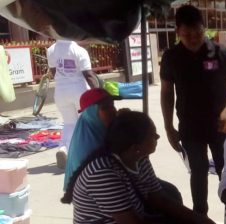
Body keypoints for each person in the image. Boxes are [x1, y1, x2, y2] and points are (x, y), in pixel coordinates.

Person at [160, 5, 226, 215]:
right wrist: (168, 126)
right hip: (189, 126)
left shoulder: (218, 51)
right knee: (198, 172)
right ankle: (200, 216)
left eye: (198, 32)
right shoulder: (171, 57)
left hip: (221, 125)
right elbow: (166, 92)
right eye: (187, 34)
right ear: (178, 31)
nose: (194, 38)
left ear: (204, 29)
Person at [62, 111, 214, 224]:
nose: (158, 137)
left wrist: (200, 219)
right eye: (152, 135)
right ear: (136, 147)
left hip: (135, 217)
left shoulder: (140, 158)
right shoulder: (103, 174)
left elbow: (159, 199)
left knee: (172, 195)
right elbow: (130, 221)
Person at [47, 40, 99, 169]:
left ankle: (64, 149)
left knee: (69, 123)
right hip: (79, 92)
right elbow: (88, 75)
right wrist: (98, 93)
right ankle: (80, 156)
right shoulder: (80, 51)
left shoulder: (51, 50)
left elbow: (54, 72)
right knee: (84, 124)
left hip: (60, 92)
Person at [63, 88, 116, 191]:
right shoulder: (91, 148)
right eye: (105, 108)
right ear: (91, 113)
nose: (113, 111)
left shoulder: (90, 125)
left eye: (112, 105)